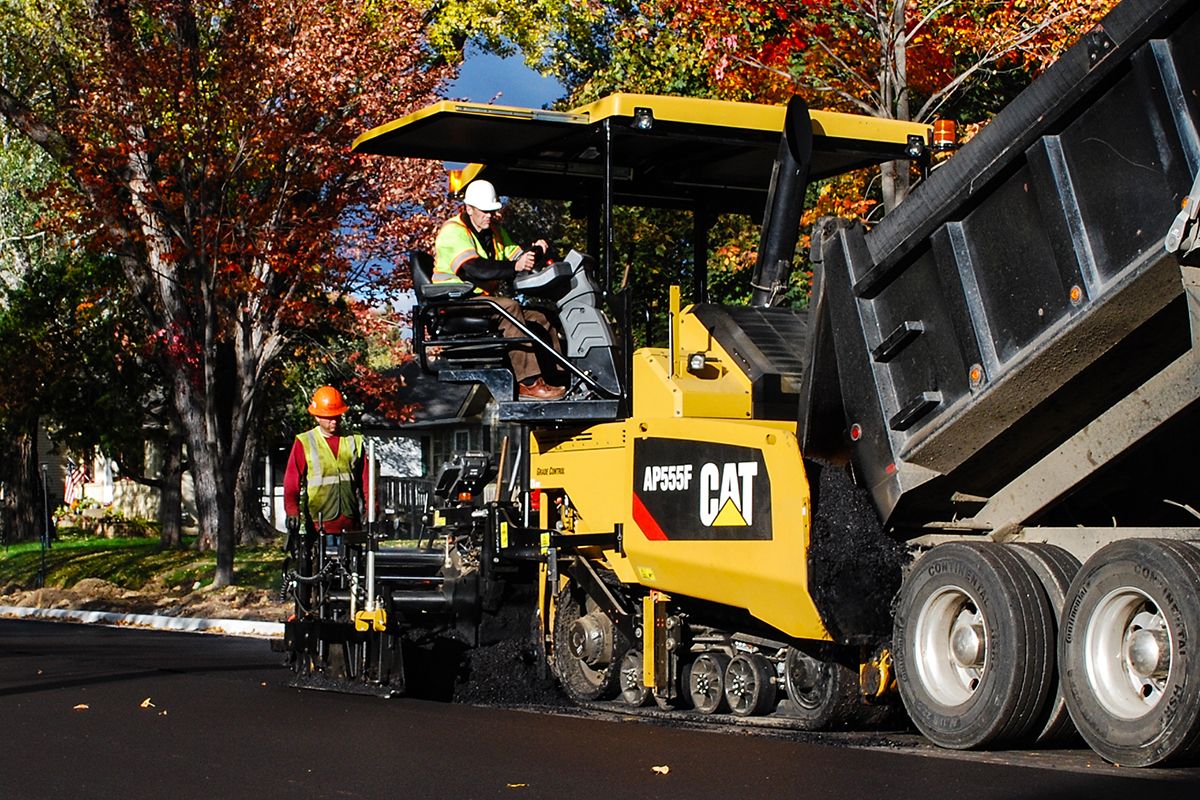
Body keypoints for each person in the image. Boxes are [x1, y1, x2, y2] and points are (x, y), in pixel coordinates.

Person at [433, 179, 566, 400]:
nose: (489, 215)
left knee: (542, 316)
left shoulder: (495, 232)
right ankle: (529, 383)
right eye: (484, 211)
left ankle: (558, 379)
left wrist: (535, 252)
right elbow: (474, 269)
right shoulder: (453, 231)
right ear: (469, 209)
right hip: (455, 303)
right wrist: (515, 266)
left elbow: (517, 257)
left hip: (484, 304)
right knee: (510, 307)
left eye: (492, 211)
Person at [283, 386, 367, 536]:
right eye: (329, 417)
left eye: (337, 416)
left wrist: (372, 508)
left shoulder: (354, 441)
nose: (334, 421)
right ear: (317, 417)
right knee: (319, 558)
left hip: (350, 521)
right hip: (318, 523)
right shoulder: (305, 442)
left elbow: (366, 480)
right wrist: (292, 510)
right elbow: (291, 480)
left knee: (351, 558)